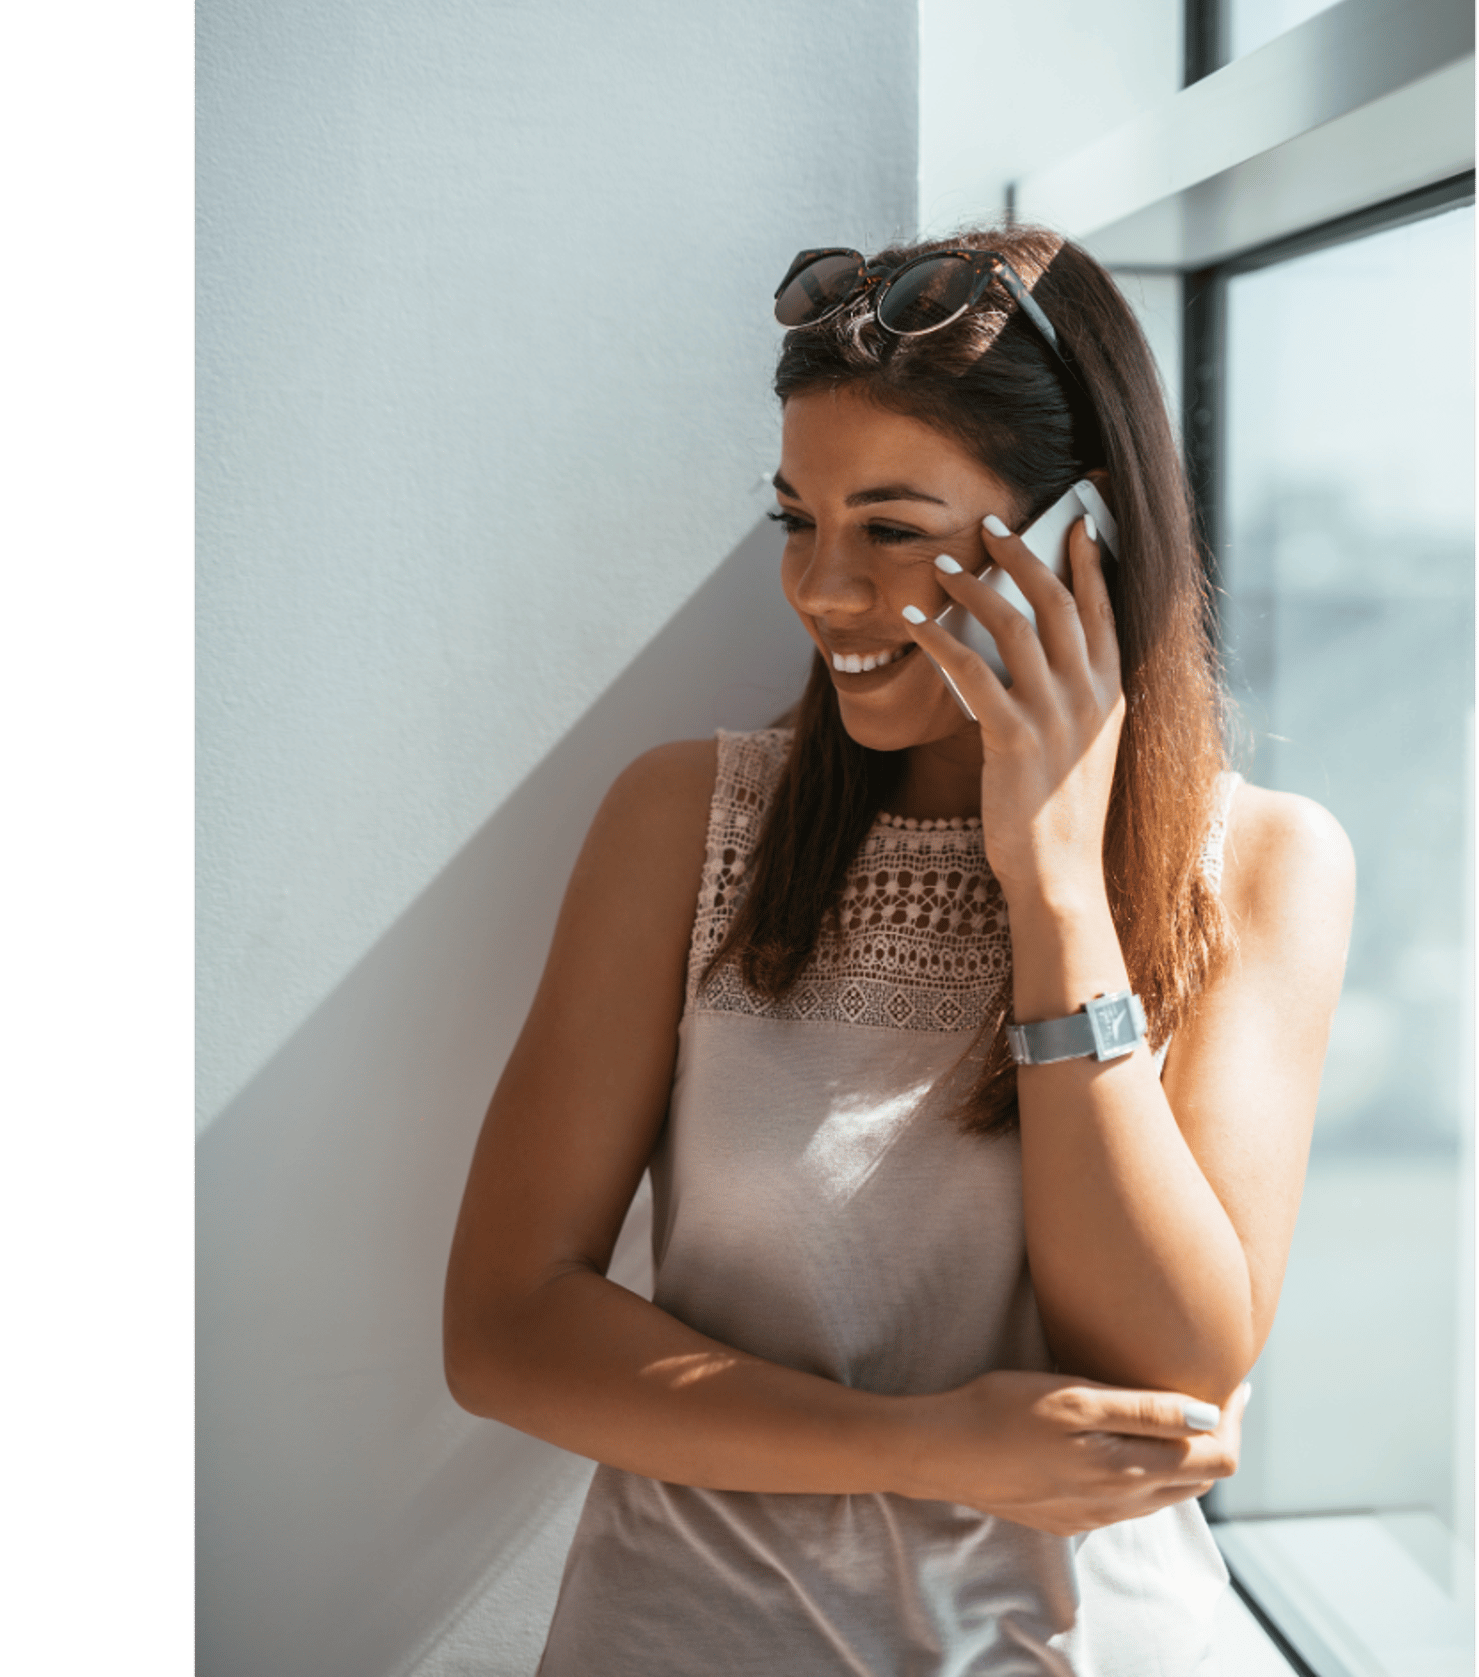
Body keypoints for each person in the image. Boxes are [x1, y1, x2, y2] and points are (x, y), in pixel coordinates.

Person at [443, 226, 1355, 1673]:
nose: (821, 590)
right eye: (796, 519)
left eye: (893, 527)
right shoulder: (686, 822)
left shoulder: (1262, 866)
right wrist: (923, 1450)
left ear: (1086, 538)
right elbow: (503, 1331)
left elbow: (1178, 1369)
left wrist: (1055, 882)